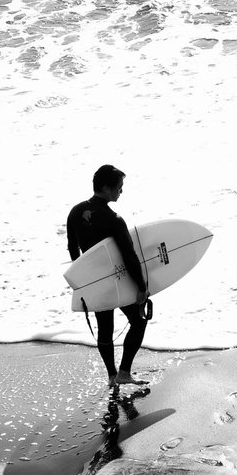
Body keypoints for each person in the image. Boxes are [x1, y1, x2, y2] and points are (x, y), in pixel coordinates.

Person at [66, 164, 150, 389]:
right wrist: (141, 286)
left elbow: (73, 249)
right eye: (119, 187)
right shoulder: (113, 219)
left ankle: (112, 376)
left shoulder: (75, 212)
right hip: (118, 280)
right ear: (105, 188)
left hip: (95, 282)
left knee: (105, 328)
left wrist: (83, 280)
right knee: (139, 321)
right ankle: (124, 373)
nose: (121, 191)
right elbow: (129, 255)